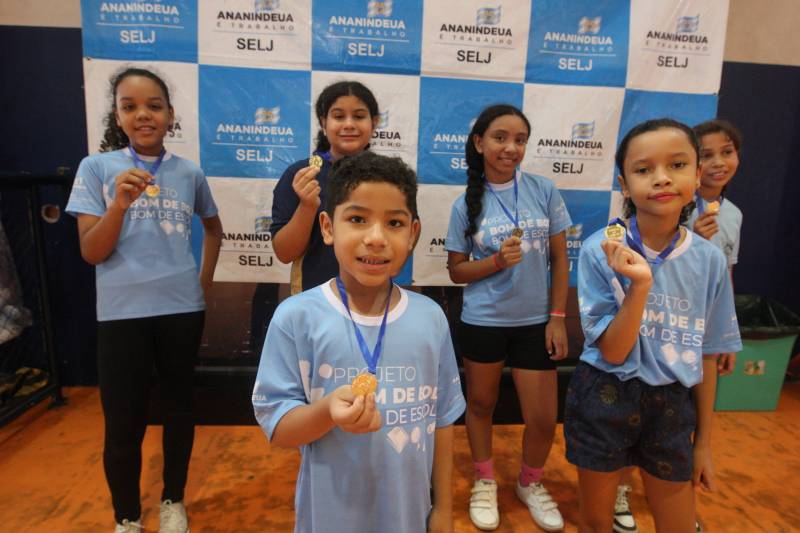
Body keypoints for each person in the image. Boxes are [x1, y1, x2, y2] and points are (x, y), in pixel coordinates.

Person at [253, 151, 466, 533]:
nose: (375, 238)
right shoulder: (296, 317)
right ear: (328, 227)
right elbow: (278, 426)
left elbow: (444, 419)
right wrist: (326, 411)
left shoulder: (430, 318)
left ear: (413, 234)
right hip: (329, 516)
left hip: (409, 516)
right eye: (356, 219)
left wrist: (444, 509)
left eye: (395, 223)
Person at [565, 118, 742, 533]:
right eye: (644, 170)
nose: (661, 179)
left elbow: (708, 356)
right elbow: (611, 351)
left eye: (677, 165)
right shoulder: (600, 250)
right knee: (596, 521)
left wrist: (704, 446)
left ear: (697, 175)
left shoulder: (709, 260)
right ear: (625, 185)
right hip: (605, 394)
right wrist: (640, 285)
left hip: (673, 405)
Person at [66, 67, 223, 533]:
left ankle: (173, 500)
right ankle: (127, 517)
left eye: (154, 105)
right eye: (130, 106)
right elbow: (92, 251)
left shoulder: (188, 172)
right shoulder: (96, 169)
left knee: (178, 408)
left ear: (170, 114)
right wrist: (118, 205)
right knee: (123, 421)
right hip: (121, 314)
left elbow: (213, 228)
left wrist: (204, 281)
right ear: (117, 114)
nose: (143, 115)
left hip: (181, 309)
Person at [445, 104, 571, 532]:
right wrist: (497, 261)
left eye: (519, 140)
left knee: (541, 418)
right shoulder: (465, 204)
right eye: (500, 138)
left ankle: (528, 483)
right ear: (480, 143)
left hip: (536, 322)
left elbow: (560, 257)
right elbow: (457, 271)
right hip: (484, 320)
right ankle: (484, 479)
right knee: (481, 404)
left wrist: (556, 317)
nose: (510, 148)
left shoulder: (544, 189)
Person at [270, 80, 380, 293]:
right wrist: (307, 206)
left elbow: (404, 239)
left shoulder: (388, 176)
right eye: (338, 116)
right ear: (323, 122)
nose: (349, 124)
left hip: (374, 298)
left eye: (358, 116)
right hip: (313, 299)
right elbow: (284, 253)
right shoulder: (301, 175)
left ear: (374, 122)